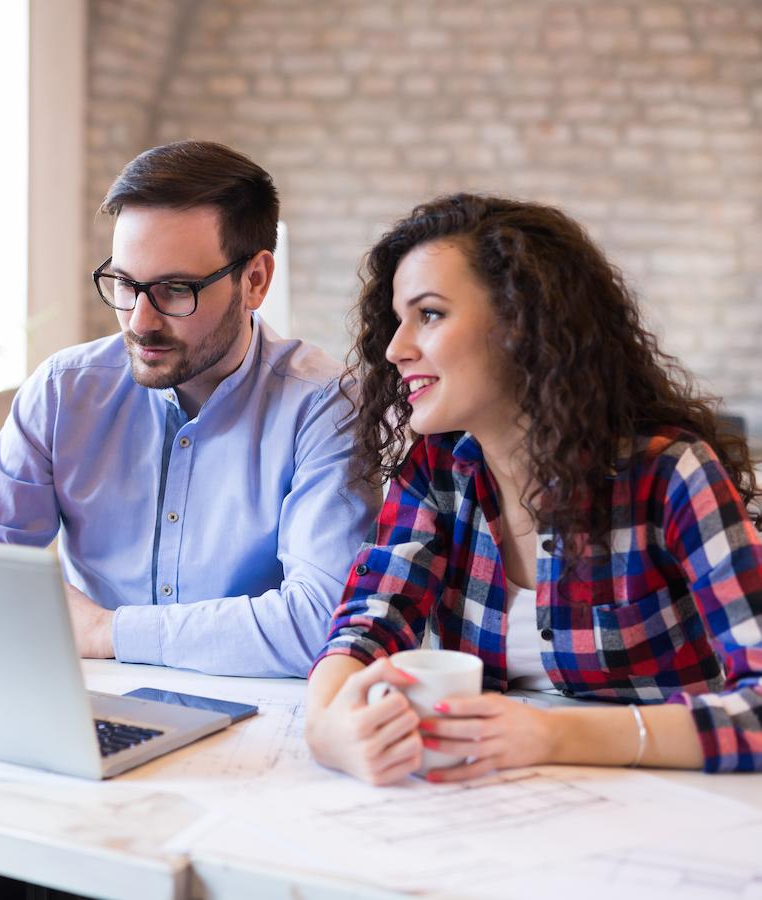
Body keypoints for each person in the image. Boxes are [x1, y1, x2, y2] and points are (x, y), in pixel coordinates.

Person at [304, 193, 762, 785]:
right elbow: (368, 624)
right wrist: (326, 728)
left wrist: (551, 735)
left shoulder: (670, 473)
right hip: (497, 808)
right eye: (398, 319)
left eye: (431, 314)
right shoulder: (438, 470)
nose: (395, 348)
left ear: (523, 324)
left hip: (667, 809)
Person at [0, 140, 378, 678]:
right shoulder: (63, 393)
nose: (139, 321)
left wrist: (104, 630)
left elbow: (323, 624)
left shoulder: (325, 408)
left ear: (255, 281)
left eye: (176, 290)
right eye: (126, 285)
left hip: (255, 718)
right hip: (88, 703)